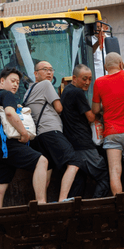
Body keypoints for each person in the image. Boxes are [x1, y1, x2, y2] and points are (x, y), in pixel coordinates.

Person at [0, 67, 49, 209]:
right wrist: (25, 134)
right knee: (42, 161)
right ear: (2, 81)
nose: (15, 85)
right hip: (6, 145)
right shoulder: (6, 95)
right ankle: (42, 203)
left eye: (18, 82)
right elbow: (9, 114)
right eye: (12, 81)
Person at [23, 61, 80, 202]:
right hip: (50, 131)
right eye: (44, 69)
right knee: (74, 161)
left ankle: (41, 202)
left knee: (47, 169)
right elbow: (59, 108)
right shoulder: (46, 85)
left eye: (51, 69)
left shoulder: (27, 91)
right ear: (36, 74)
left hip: (39, 136)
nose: (49, 72)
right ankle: (62, 199)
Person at [91, 52, 124, 195]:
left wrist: (107, 104)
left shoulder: (99, 82)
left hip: (112, 131)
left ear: (105, 67)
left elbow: (95, 109)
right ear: (121, 64)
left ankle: (119, 202)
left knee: (114, 171)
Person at [59, 64, 111, 198]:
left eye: (89, 79)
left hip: (71, 143)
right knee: (104, 175)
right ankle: (96, 205)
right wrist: (101, 112)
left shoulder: (66, 91)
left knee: (79, 180)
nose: (87, 82)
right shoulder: (77, 92)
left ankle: (74, 211)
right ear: (75, 78)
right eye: (84, 79)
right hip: (83, 143)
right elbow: (91, 117)